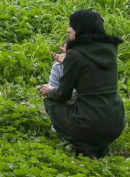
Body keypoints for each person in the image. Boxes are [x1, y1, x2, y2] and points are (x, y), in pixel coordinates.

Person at [39, 10, 126, 158]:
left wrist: (49, 90)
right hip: (116, 120)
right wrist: (68, 61)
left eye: (71, 26)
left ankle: (84, 146)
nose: (68, 30)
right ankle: (100, 145)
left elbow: (62, 94)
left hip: (89, 122)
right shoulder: (110, 50)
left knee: (51, 101)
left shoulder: (76, 54)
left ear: (80, 28)